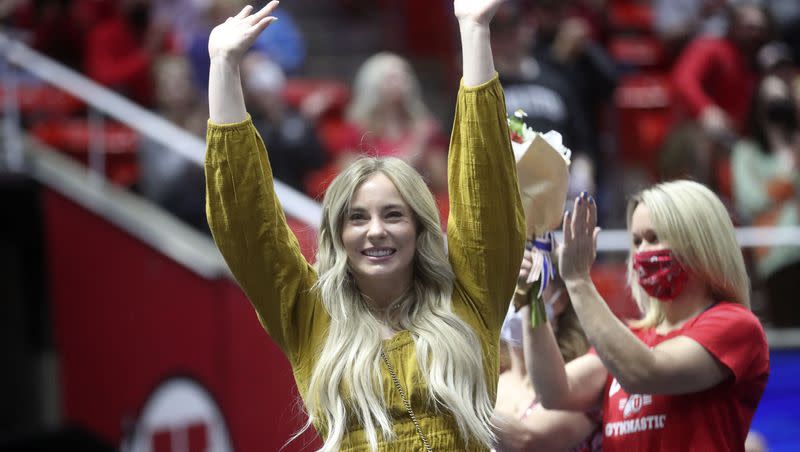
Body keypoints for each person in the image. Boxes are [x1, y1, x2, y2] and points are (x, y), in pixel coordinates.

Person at [204, 1, 525, 451]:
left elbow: (485, 186)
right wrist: (223, 67)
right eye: (357, 218)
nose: (375, 230)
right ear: (337, 235)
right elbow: (246, 226)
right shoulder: (310, 314)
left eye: (394, 214)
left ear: (419, 228)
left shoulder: (468, 295)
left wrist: (474, 30)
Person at [525, 184, 770, 451]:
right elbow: (554, 391)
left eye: (654, 238)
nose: (642, 251)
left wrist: (578, 280)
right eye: (636, 241)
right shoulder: (631, 340)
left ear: (701, 242)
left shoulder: (735, 325)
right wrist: (532, 298)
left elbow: (644, 372)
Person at [492, 253, 601, 452]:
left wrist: (459, 403)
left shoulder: (579, 380)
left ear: (561, 300)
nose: (514, 295)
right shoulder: (489, 384)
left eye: (524, 284)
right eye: (504, 284)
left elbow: (526, 441)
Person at [732, 74, 800, 327]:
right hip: (776, 256)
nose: (777, 108)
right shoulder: (746, 152)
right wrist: (786, 174)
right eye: (770, 102)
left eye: (782, 100)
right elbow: (750, 201)